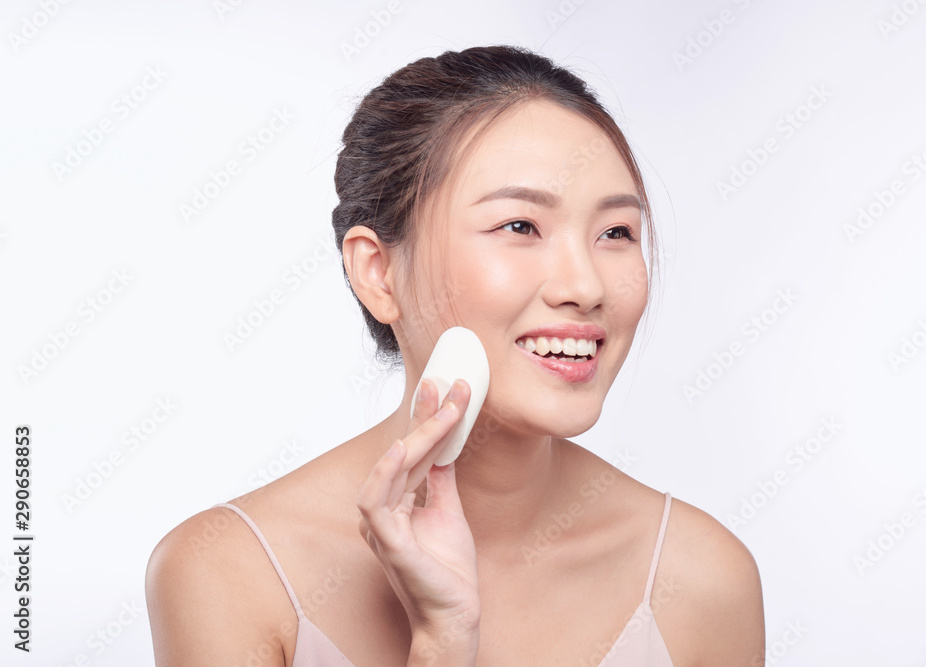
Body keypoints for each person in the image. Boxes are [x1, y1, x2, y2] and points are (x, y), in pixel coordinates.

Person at [146, 44, 764, 666]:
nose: (585, 287)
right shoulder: (230, 572)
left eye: (616, 233)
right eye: (520, 227)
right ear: (379, 272)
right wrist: (443, 640)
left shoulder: (700, 577)